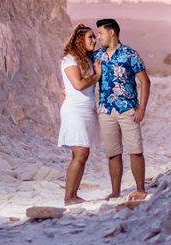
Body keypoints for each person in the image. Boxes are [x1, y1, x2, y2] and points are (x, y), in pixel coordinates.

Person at [93, 18, 151, 199]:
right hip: (105, 110)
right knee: (113, 153)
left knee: (135, 150)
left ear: (112, 32)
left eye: (101, 33)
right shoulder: (97, 56)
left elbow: (144, 81)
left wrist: (141, 108)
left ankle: (141, 189)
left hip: (127, 109)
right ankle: (115, 192)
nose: (98, 37)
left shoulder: (130, 54)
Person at [58, 24, 102, 205]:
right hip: (75, 110)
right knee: (81, 153)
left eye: (95, 37)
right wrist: (97, 75)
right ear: (80, 41)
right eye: (90, 37)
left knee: (82, 154)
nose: (95, 40)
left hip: (87, 109)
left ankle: (73, 195)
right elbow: (78, 84)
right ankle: (69, 198)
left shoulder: (88, 59)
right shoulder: (70, 60)